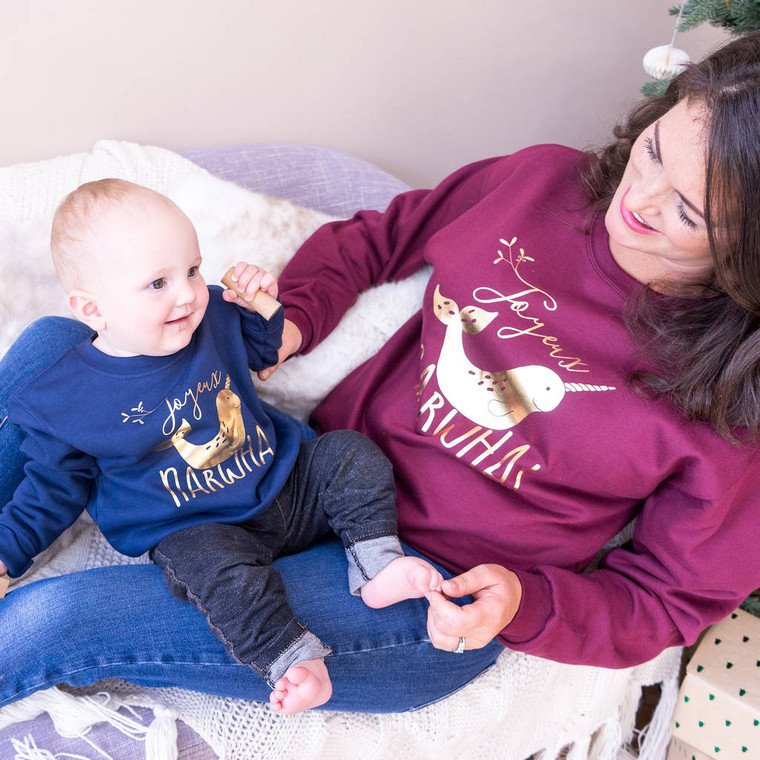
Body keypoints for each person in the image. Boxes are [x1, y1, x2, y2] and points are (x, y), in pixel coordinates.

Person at [2, 30, 760, 713]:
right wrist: (288, 323)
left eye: (691, 214)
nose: (641, 198)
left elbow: (666, 601)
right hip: (306, 472)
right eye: (655, 149)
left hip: (424, 587)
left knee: (57, 620)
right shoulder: (542, 184)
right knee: (58, 350)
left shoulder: (734, 405)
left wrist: (524, 603)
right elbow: (379, 239)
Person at [0, 179, 443, 715]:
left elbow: (263, 350)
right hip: (199, 527)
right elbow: (49, 491)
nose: (186, 292)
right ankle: (291, 659)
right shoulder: (69, 399)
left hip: (283, 485)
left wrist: (260, 304)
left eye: (191, 269)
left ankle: (377, 563)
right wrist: (6, 553)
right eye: (157, 283)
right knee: (218, 578)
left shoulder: (210, 315)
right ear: (92, 310)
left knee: (349, 454)